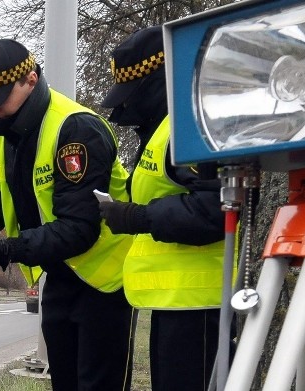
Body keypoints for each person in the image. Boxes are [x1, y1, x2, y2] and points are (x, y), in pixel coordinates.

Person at [0, 38, 137, 391]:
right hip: (60, 277)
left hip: (106, 282)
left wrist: (4, 250)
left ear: (31, 80)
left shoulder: (78, 129)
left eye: (0, 98)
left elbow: (80, 229)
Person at [99, 26, 227, 391]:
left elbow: (215, 209)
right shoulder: (164, 129)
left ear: (158, 80)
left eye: (131, 94)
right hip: (177, 305)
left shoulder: (194, 125)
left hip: (202, 306)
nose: (124, 108)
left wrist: (138, 217)